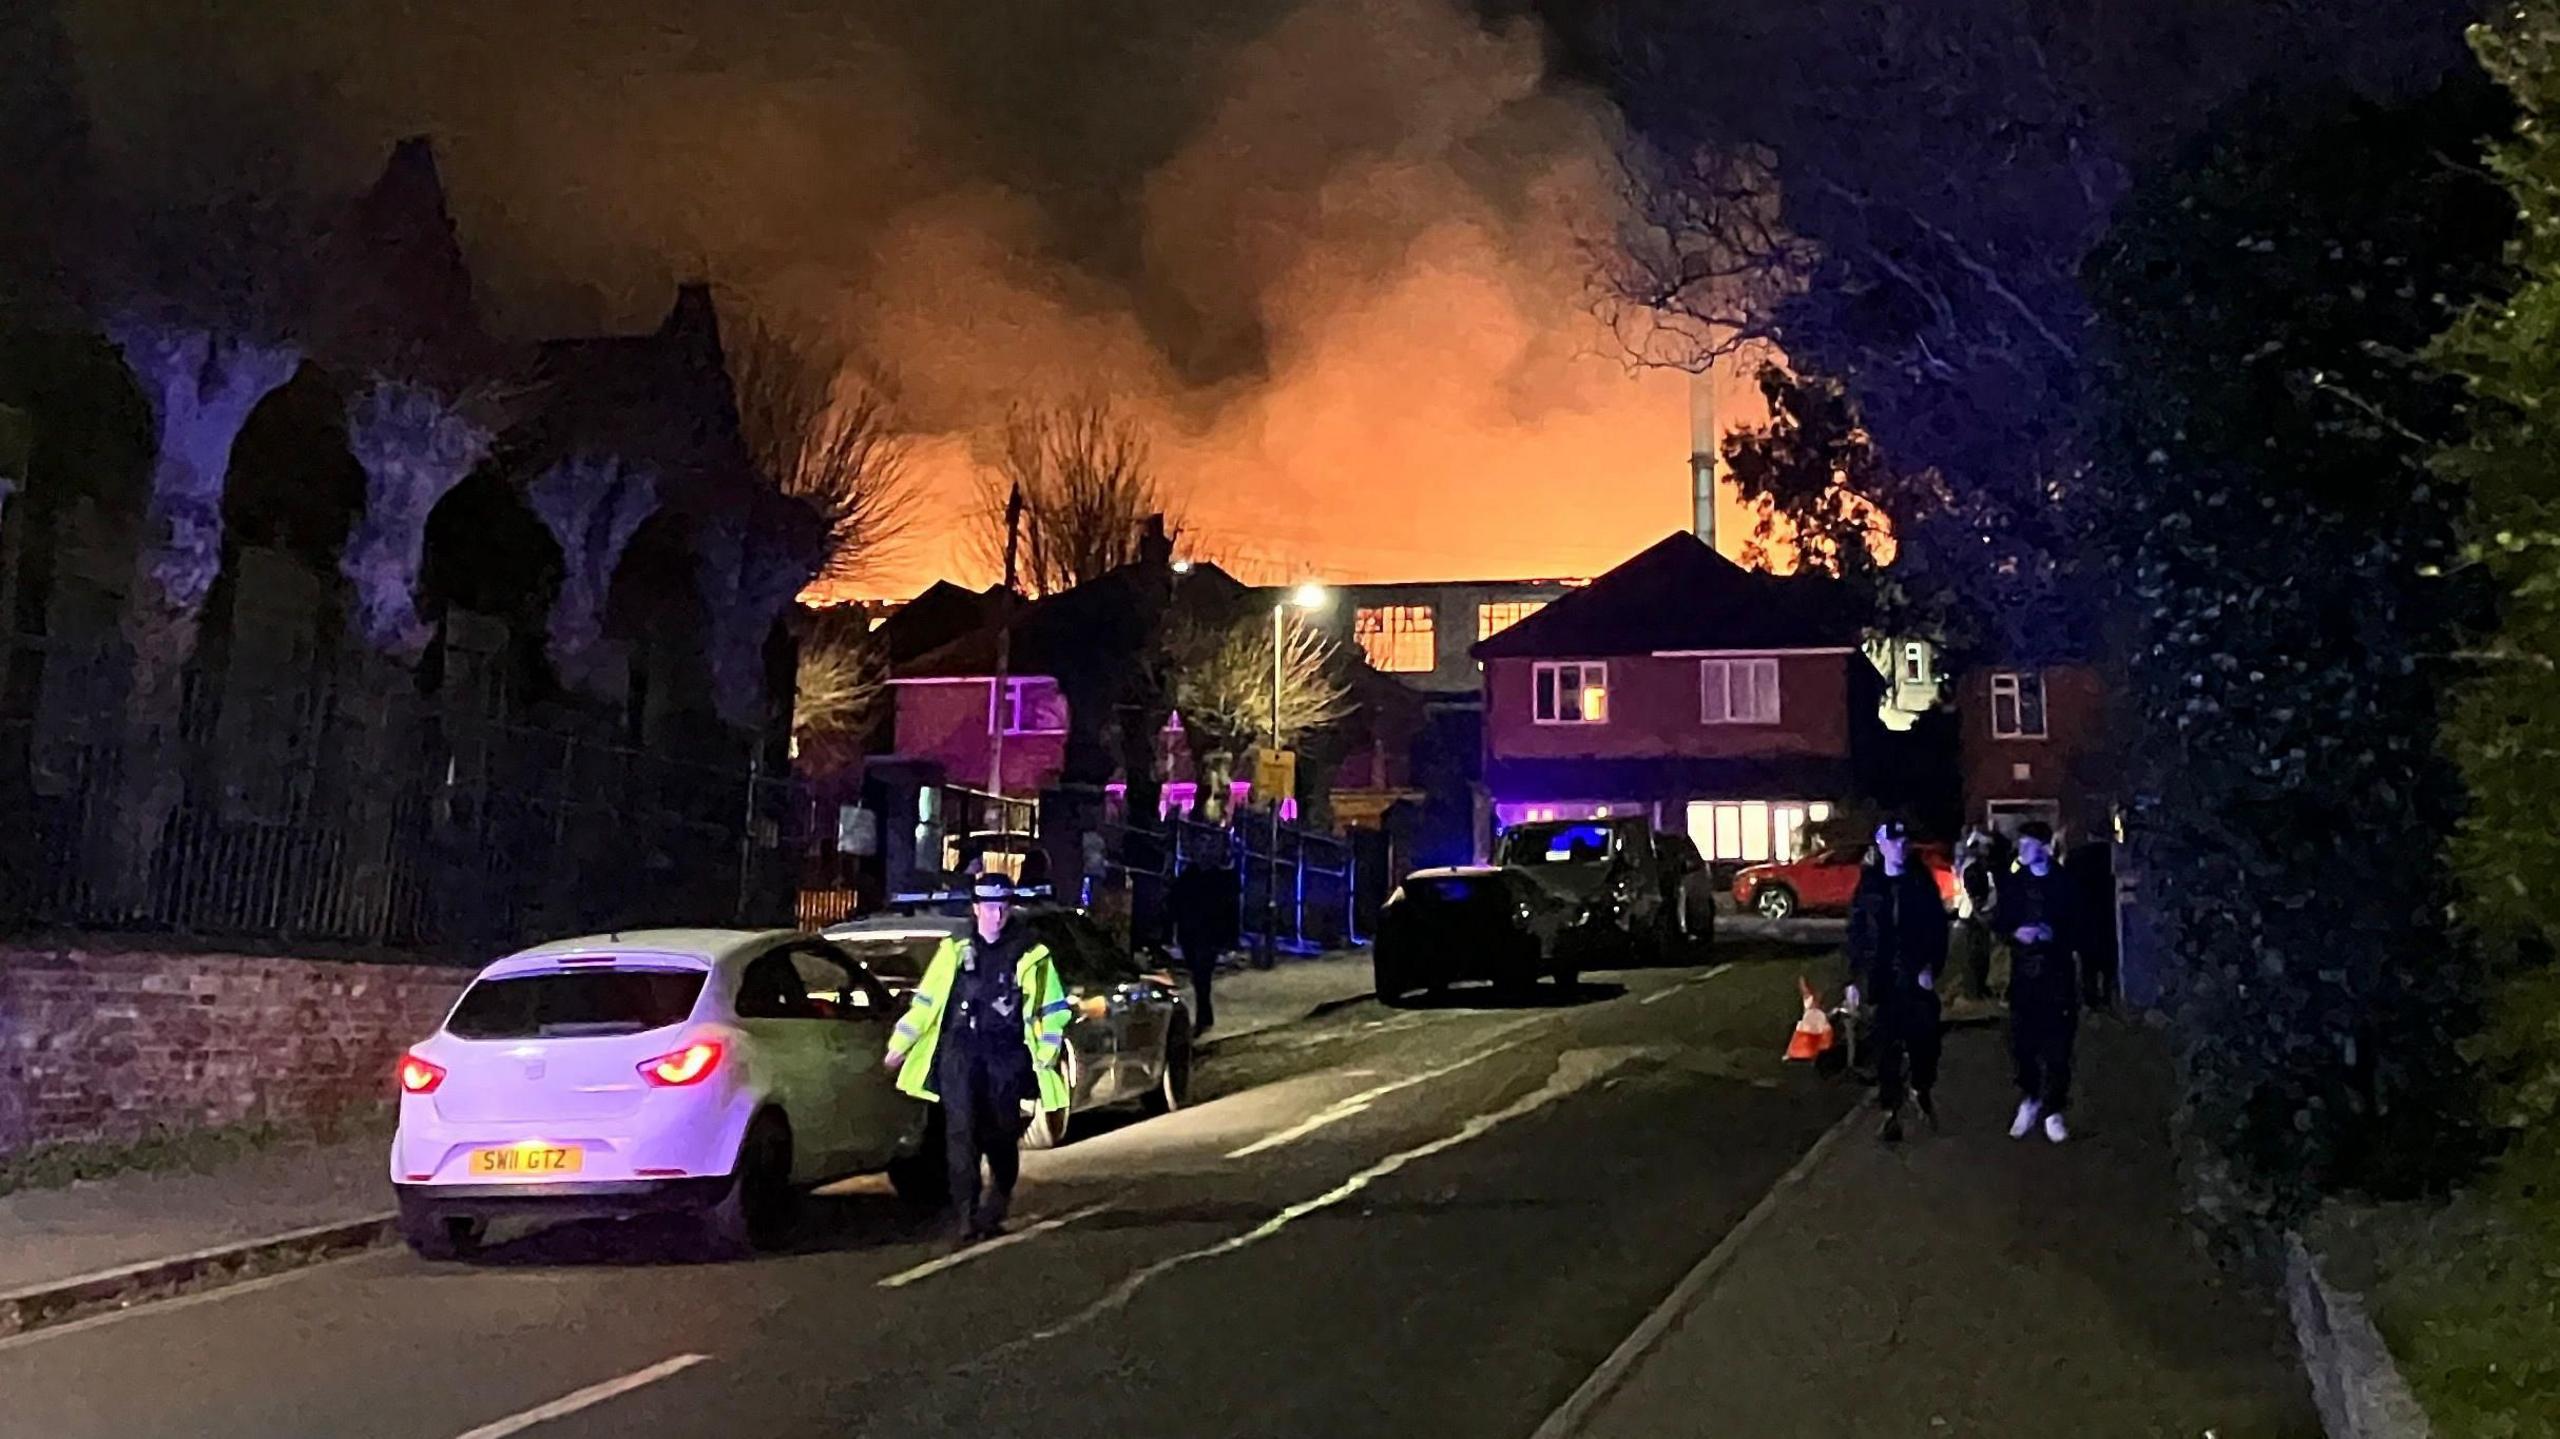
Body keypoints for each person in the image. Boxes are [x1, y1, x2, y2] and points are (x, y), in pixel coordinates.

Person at [882, 874, 1072, 1245]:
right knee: (960, 1134)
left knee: (1000, 1133)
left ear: (1010, 908)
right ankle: (965, 1215)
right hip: (961, 1051)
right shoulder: (954, 949)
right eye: (988, 906)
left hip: (1005, 1055)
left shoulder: (1032, 952)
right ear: (976, 908)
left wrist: (1046, 1052)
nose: (995, 914)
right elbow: (927, 1002)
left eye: (1002, 906)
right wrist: (900, 1045)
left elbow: (1054, 1008)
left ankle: (997, 1201)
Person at [1846, 818, 1948, 1142]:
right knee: (1884, 1047)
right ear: (1880, 845)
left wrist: (1932, 966)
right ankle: (1890, 1111)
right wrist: (1853, 979)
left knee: (1925, 1041)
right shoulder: (1870, 885)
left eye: (1903, 842)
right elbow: (1856, 933)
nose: (1899, 848)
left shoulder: (1921, 884)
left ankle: (1921, 1086)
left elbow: (1938, 930)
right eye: (1892, 842)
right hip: (1881, 979)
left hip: (1915, 977)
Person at [1997, 822, 2079, 1143]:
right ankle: (2030, 1098)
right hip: (2024, 975)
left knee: (2058, 1045)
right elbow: (2001, 921)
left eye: (2029, 845)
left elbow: (2082, 925)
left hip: (2057, 974)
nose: (2022, 851)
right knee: (2023, 1043)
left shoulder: (2065, 884)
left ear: (2044, 848)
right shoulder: (2014, 885)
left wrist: (2055, 935)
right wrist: (2015, 933)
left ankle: (2054, 1109)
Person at [1171, 836, 1237, 1033]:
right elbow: (1175, 902)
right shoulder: (1191, 876)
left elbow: (1229, 909)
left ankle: (1204, 1017)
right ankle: (1204, 1016)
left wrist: (1228, 937)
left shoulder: (1218, 879)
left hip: (1207, 933)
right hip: (1193, 932)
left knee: (1202, 975)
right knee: (1199, 975)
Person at [1953, 827, 1998, 1001]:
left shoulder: (1983, 867)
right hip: (1973, 918)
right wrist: (1982, 915)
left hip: (1980, 916)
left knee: (1982, 955)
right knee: (1974, 956)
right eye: (1985, 847)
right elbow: (1974, 895)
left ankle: (1979, 988)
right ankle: (1973, 991)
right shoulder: (1973, 868)